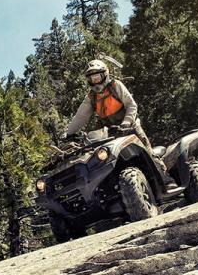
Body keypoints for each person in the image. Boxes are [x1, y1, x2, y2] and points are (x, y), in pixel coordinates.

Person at [66, 59, 177, 188]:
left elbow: (131, 105)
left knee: (147, 151)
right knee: (99, 160)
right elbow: (80, 117)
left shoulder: (115, 86)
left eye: (97, 77)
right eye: (92, 78)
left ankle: (166, 180)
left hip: (130, 126)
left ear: (105, 75)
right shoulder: (91, 97)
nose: (95, 81)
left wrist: (126, 123)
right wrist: (69, 134)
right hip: (109, 132)